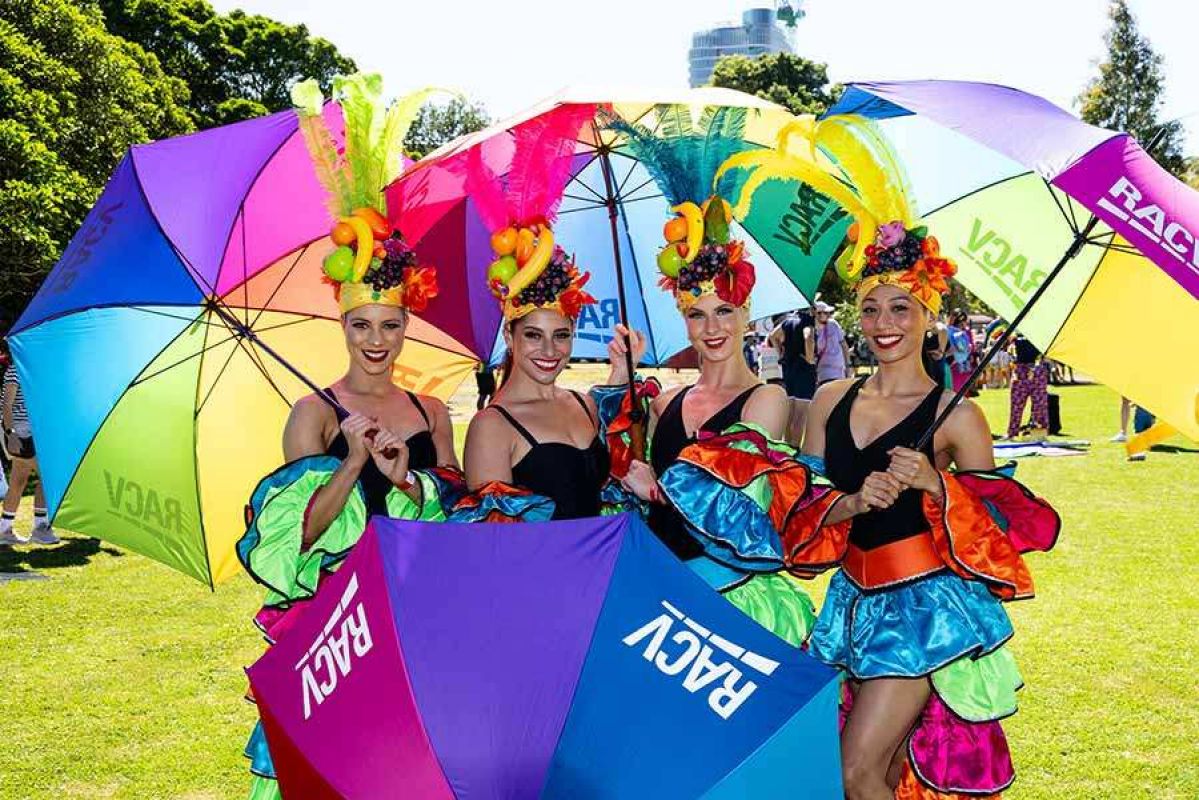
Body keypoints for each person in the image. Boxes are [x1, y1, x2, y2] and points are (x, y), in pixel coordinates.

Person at [692, 117, 1061, 799]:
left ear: (928, 312)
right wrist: (851, 502)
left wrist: (936, 488)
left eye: (900, 308)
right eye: (870, 309)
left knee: (852, 769)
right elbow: (800, 506)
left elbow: (1009, 534)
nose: (884, 324)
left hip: (924, 613)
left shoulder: (960, 416)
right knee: (880, 774)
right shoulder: (830, 397)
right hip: (848, 606)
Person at [236, 79, 457, 800]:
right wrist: (354, 460)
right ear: (343, 324)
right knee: (332, 764)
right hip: (339, 614)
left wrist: (407, 482)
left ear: (406, 326)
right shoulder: (315, 412)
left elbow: (458, 513)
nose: (376, 340)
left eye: (389, 325)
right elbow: (293, 534)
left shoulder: (431, 411)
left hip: (421, 610)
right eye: (362, 324)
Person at [596, 130, 820, 648]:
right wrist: (618, 377)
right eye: (697, 315)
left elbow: (730, 502)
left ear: (746, 314)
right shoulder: (668, 402)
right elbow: (618, 483)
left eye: (724, 312)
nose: (712, 328)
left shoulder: (767, 399)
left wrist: (654, 487)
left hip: (731, 598)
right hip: (662, 599)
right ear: (684, 320)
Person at [460, 242, 610, 521]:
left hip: (604, 561)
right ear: (509, 335)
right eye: (533, 335)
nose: (550, 351)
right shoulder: (491, 427)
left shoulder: (584, 403)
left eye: (561, 335)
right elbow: (494, 542)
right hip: (541, 565)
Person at [2, 360, 58, 545]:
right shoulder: (15, 370)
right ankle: (41, 527)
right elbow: (6, 406)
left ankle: (4, 529)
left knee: (18, 481)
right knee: (49, 477)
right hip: (21, 433)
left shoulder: (32, 369)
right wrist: (11, 434)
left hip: (33, 432)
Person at [1007, 331, 1050, 439]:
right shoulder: (1016, 335)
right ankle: (1013, 432)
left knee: (1039, 405)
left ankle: (1038, 431)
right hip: (1022, 371)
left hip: (1035, 370)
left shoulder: (1042, 337)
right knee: (1017, 404)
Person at [772, 307, 817, 400]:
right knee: (805, 402)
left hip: (788, 367)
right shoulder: (807, 320)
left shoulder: (787, 321)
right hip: (803, 367)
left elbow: (773, 336)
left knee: (791, 399)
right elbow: (808, 337)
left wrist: (780, 353)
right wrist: (810, 359)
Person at [811, 300, 853, 386]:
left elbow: (844, 345)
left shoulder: (833, 324)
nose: (825, 315)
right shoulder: (813, 330)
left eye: (826, 312)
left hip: (840, 370)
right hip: (825, 372)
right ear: (815, 313)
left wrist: (848, 366)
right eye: (821, 313)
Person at [946, 309, 975, 392]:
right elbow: (971, 349)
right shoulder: (965, 333)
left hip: (950, 363)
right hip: (963, 365)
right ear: (963, 321)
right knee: (960, 391)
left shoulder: (947, 330)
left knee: (951, 391)